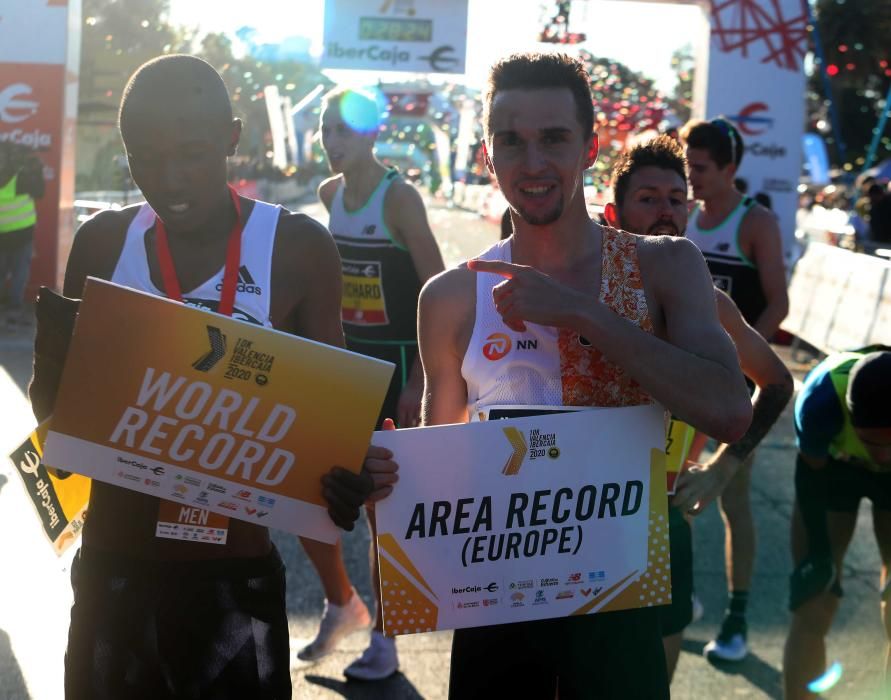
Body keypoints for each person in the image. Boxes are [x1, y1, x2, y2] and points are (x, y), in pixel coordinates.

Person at [31, 54, 397, 699]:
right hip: (115, 572)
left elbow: (342, 428)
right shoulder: (101, 243)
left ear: (232, 137)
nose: (169, 179)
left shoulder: (297, 248)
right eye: (144, 157)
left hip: (234, 578)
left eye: (192, 154)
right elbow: (56, 421)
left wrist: (356, 474)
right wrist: (54, 372)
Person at [418, 52, 752, 699]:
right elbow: (442, 461)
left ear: (590, 146)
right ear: (488, 152)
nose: (532, 162)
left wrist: (581, 314)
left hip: (619, 598)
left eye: (553, 138)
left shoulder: (662, 264)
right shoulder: (451, 295)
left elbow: (727, 408)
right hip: (497, 607)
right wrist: (386, 477)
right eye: (511, 140)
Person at [604, 134, 794, 677]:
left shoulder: (711, 306)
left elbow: (778, 384)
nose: (665, 211)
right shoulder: (577, 293)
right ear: (615, 213)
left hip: (663, 521)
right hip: (581, 518)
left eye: (675, 198)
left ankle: (733, 614)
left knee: (651, 681)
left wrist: (721, 469)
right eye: (648, 198)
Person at [295, 87, 444, 680]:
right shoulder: (329, 194)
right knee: (306, 494)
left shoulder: (400, 199)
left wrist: (423, 381)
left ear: (371, 135)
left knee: (387, 513)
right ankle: (342, 604)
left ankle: (387, 639)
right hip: (345, 368)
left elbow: (440, 291)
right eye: (326, 130)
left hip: (399, 370)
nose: (330, 143)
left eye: (342, 132)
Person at [681, 116, 789, 661]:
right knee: (672, 491)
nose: (691, 177)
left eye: (700, 168)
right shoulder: (679, 216)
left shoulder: (756, 223)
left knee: (730, 499)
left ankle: (738, 617)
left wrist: (743, 359)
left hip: (734, 388)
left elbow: (779, 303)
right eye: (686, 165)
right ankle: (684, 596)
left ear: (730, 168)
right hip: (681, 382)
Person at [784, 348, 891, 699]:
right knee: (814, 603)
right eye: (873, 443)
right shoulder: (821, 399)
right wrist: (817, 556)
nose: (882, 457)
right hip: (832, 473)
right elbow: (809, 482)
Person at [0, 142, 45, 328]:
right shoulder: (22, 178)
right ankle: (14, 310)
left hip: (2, 236)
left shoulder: (17, 177)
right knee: (19, 274)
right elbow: (40, 191)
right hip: (22, 234)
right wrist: (37, 168)